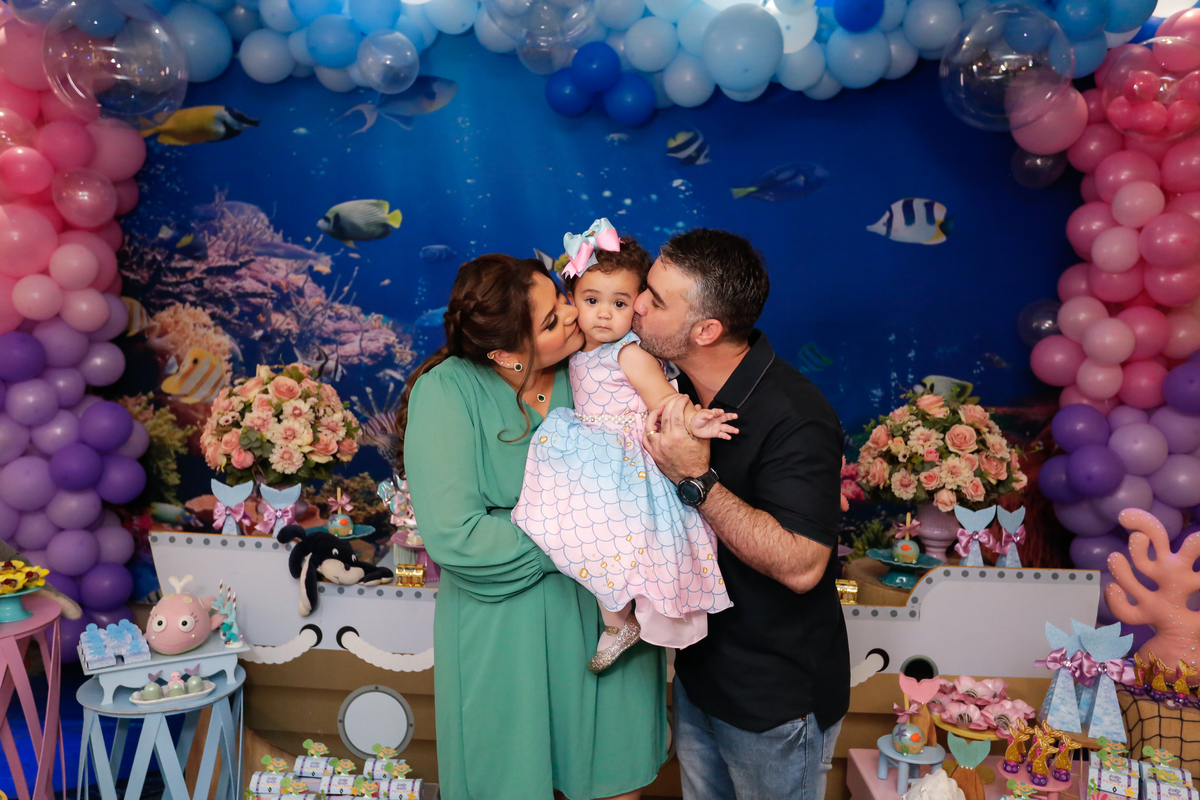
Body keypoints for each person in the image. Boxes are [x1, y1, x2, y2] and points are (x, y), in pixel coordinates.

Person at [401, 254, 667, 800]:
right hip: (504, 633)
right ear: (505, 353)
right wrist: (588, 531)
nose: (573, 315)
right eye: (550, 321)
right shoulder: (446, 392)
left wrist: (579, 522)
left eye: (563, 300)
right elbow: (458, 536)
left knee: (615, 777)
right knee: (508, 780)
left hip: (611, 626)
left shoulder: (601, 365)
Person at [634, 229, 849, 800]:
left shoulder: (795, 415)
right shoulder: (673, 387)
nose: (638, 303)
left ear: (705, 330)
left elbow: (803, 565)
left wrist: (697, 479)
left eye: (656, 299)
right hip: (699, 677)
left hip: (772, 701)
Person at [512, 219, 736, 675]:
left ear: (638, 305)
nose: (603, 314)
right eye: (591, 300)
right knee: (567, 531)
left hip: (625, 460)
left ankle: (620, 622)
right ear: (572, 300)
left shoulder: (629, 353)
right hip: (589, 450)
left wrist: (695, 419)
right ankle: (618, 619)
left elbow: (665, 400)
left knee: (613, 540)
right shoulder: (577, 346)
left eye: (619, 303)